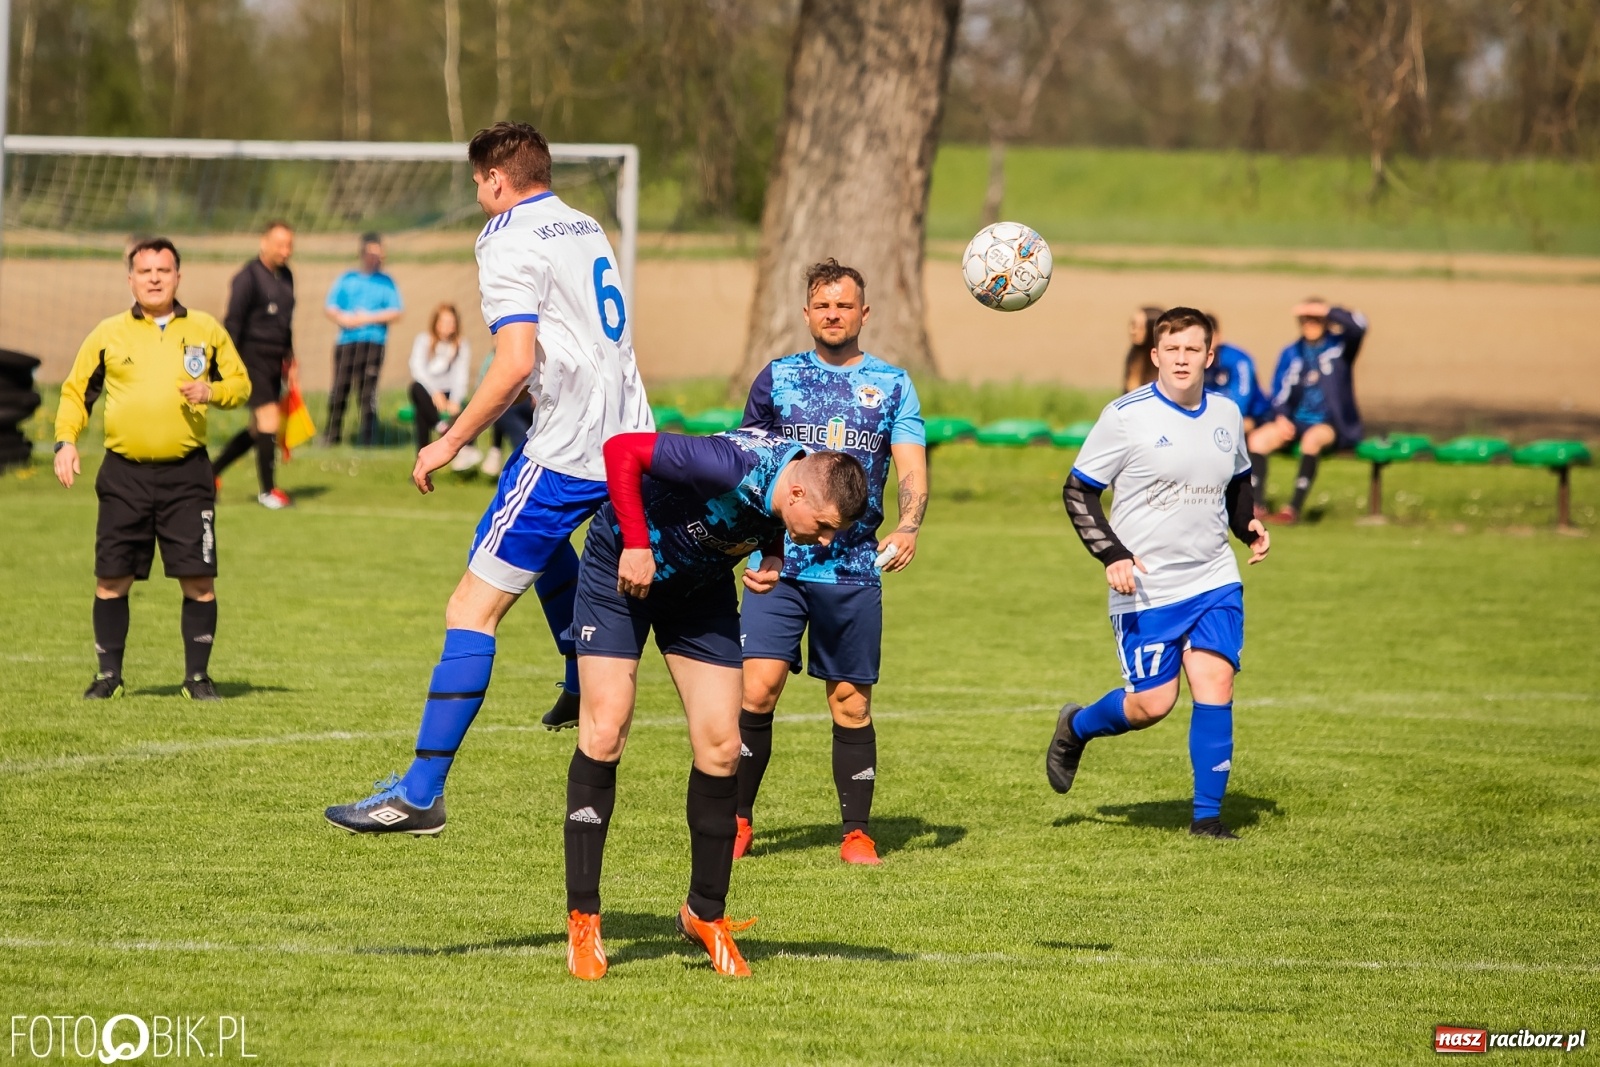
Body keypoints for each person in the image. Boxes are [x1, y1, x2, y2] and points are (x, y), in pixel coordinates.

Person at [325, 121, 653, 835]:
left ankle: (419, 792)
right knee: (543, 551)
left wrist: (449, 440)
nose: (476, 193)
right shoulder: (582, 221)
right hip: (632, 438)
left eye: (478, 181)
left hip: (567, 450)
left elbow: (511, 360)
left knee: (469, 608)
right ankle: (574, 665)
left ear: (498, 181)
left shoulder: (506, 235)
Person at [561, 428, 869, 980]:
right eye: (822, 528)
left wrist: (774, 551)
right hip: (621, 571)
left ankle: (705, 913)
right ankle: (584, 917)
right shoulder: (728, 463)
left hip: (697, 594)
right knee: (605, 731)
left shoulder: (791, 490)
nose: (823, 542)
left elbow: (770, 519)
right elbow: (621, 451)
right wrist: (635, 542)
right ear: (798, 495)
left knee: (724, 747)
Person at [1046, 307, 1270, 840]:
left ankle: (1207, 820)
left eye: (1193, 350)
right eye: (1172, 350)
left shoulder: (1226, 413)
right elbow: (1079, 491)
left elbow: (1238, 480)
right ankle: (1075, 728)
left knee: (1215, 681)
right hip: (1147, 587)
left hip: (1213, 577)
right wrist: (1113, 555)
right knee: (1153, 704)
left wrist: (1249, 527)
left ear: (1210, 356)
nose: (1182, 359)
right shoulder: (1127, 416)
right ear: (1155, 356)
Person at [734, 258, 928, 866]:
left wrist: (908, 522)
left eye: (844, 305)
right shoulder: (778, 378)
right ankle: (737, 821)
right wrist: (754, 544)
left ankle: (856, 833)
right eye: (823, 305)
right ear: (807, 313)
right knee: (757, 689)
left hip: (852, 572)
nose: (834, 314)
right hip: (780, 565)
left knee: (850, 700)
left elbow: (912, 467)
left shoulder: (894, 385)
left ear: (864, 313)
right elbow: (749, 464)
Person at [52, 237, 251, 701]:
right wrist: (66, 442)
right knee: (111, 578)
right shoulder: (107, 334)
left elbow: (240, 384)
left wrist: (212, 393)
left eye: (164, 270)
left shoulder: (205, 329)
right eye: (146, 271)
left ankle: (197, 679)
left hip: (188, 476)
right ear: (131, 279)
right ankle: (109, 677)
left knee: (199, 580)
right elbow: (76, 392)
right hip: (125, 475)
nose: (155, 278)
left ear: (178, 276)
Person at [1246, 299, 1369, 524]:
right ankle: (1257, 505)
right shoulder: (1291, 352)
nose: (1310, 324)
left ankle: (1292, 509)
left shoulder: (1339, 348)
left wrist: (1329, 310)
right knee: (1257, 440)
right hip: (1294, 421)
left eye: (1316, 319)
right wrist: (1281, 417)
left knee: (1311, 441)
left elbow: (1359, 326)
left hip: (1329, 423)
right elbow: (1278, 389)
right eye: (1305, 319)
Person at [212, 220, 297, 508]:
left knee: (257, 431)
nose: (285, 251)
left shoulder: (287, 277)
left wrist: (290, 357)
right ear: (264, 243)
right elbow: (232, 323)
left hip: (275, 360)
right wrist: (226, 363)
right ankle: (268, 491)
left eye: (289, 245)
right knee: (269, 421)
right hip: (251, 357)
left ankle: (209, 473)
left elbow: (286, 324)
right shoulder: (246, 278)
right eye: (280, 245)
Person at [323, 232, 403, 446]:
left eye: (379, 254)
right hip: (347, 342)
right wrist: (344, 318)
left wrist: (368, 317)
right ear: (363, 253)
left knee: (367, 393)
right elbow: (330, 307)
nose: (375, 258)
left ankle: (368, 439)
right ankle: (332, 436)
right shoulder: (347, 279)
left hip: (373, 343)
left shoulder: (386, 282)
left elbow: (396, 312)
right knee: (340, 388)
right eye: (371, 253)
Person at [408, 303, 472, 452]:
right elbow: (418, 369)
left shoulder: (461, 345)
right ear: (435, 323)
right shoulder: (423, 340)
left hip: (449, 393)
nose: (447, 326)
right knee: (415, 389)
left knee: (421, 412)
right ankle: (441, 427)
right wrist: (435, 393)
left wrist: (455, 401)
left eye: (451, 322)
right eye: (443, 321)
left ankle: (422, 463)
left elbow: (460, 376)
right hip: (428, 392)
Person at [1203, 311, 1269, 431]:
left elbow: (1240, 402)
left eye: (1209, 337)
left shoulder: (1239, 360)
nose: (1205, 343)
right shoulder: (1194, 361)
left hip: (1252, 416)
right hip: (1213, 417)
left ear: (1219, 336)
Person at [1122, 306, 1163, 393]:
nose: (1132, 331)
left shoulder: (1163, 362)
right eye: (1133, 325)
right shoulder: (1133, 356)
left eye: (1140, 327)